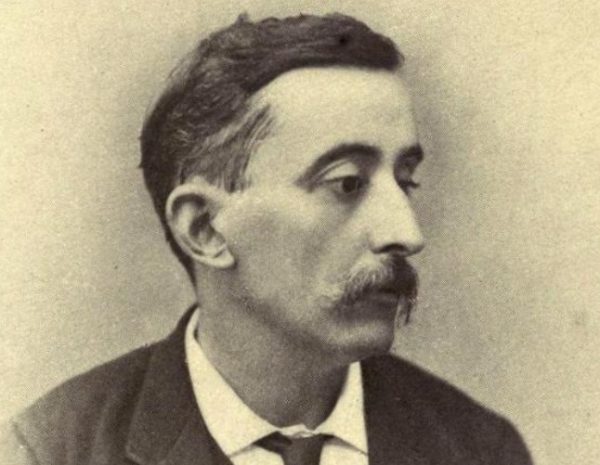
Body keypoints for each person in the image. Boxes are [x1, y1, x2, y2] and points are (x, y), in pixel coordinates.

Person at [1, 13, 533, 465]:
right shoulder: (50, 449)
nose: (407, 234)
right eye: (347, 184)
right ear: (204, 228)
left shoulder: (480, 449)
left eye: (405, 181)